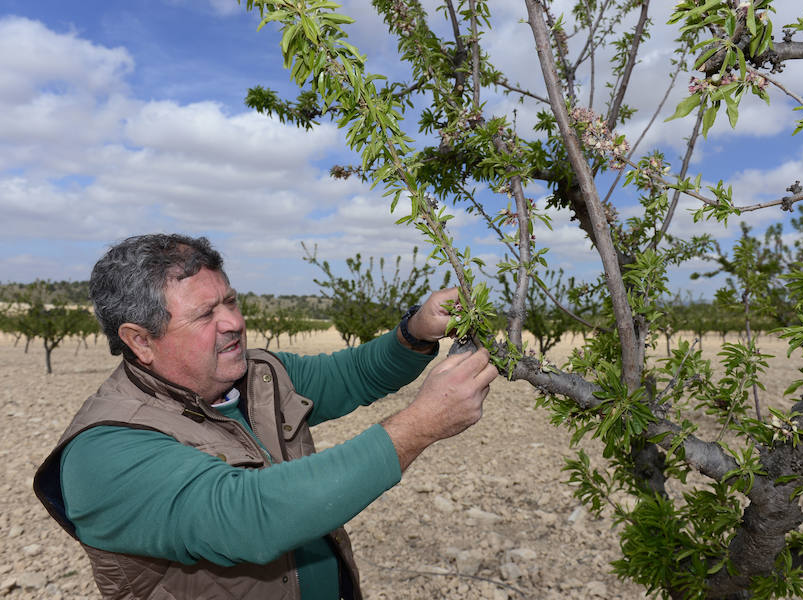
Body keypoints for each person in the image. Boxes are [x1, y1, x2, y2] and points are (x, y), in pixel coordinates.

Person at [33, 233, 498, 600]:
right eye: (204, 315)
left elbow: (351, 375)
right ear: (139, 340)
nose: (233, 322)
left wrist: (416, 330)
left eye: (230, 302)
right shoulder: (106, 450)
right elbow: (250, 517)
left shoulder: (256, 376)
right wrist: (420, 425)